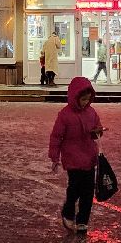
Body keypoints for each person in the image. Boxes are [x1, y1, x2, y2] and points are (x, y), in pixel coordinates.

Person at [48, 76, 105, 234]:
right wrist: (54, 157)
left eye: (88, 99)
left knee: (88, 192)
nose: (86, 102)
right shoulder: (64, 115)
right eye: (83, 99)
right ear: (75, 97)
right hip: (72, 159)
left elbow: (97, 128)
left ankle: (82, 221)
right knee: (74, 189)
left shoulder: (91, 112)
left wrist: (98, 131)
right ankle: (68, 212)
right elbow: (56, 136)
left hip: (89, 158)